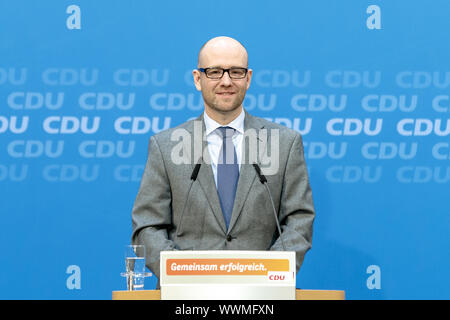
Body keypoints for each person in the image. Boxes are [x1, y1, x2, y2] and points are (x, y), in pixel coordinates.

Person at [131, 36, 315, 283]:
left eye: (236, 72)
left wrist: (266, 274)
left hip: (261, 295)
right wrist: (183, 275)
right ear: (198, 79)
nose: (226, 81)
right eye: (215, 72)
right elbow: (147, 226)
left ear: (248, 78)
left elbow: (299, 219)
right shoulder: (165, 146)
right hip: (186, 295)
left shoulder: (284, 143)